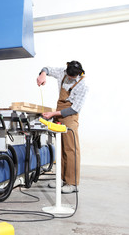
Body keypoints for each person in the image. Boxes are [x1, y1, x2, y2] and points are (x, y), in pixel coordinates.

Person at [36, 61, 88, 193]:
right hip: (59, 115)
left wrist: (53, 113)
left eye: (73, 77)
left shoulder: (83, 85)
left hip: (70, 116)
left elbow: (74, 108)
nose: (70, 78)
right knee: (61, 148)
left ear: (79, 73)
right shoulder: (62, 72)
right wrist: (42, 74)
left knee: (71, 149)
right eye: (69, 76)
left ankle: (72, 183)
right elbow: (47, 68)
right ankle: (62, 179)